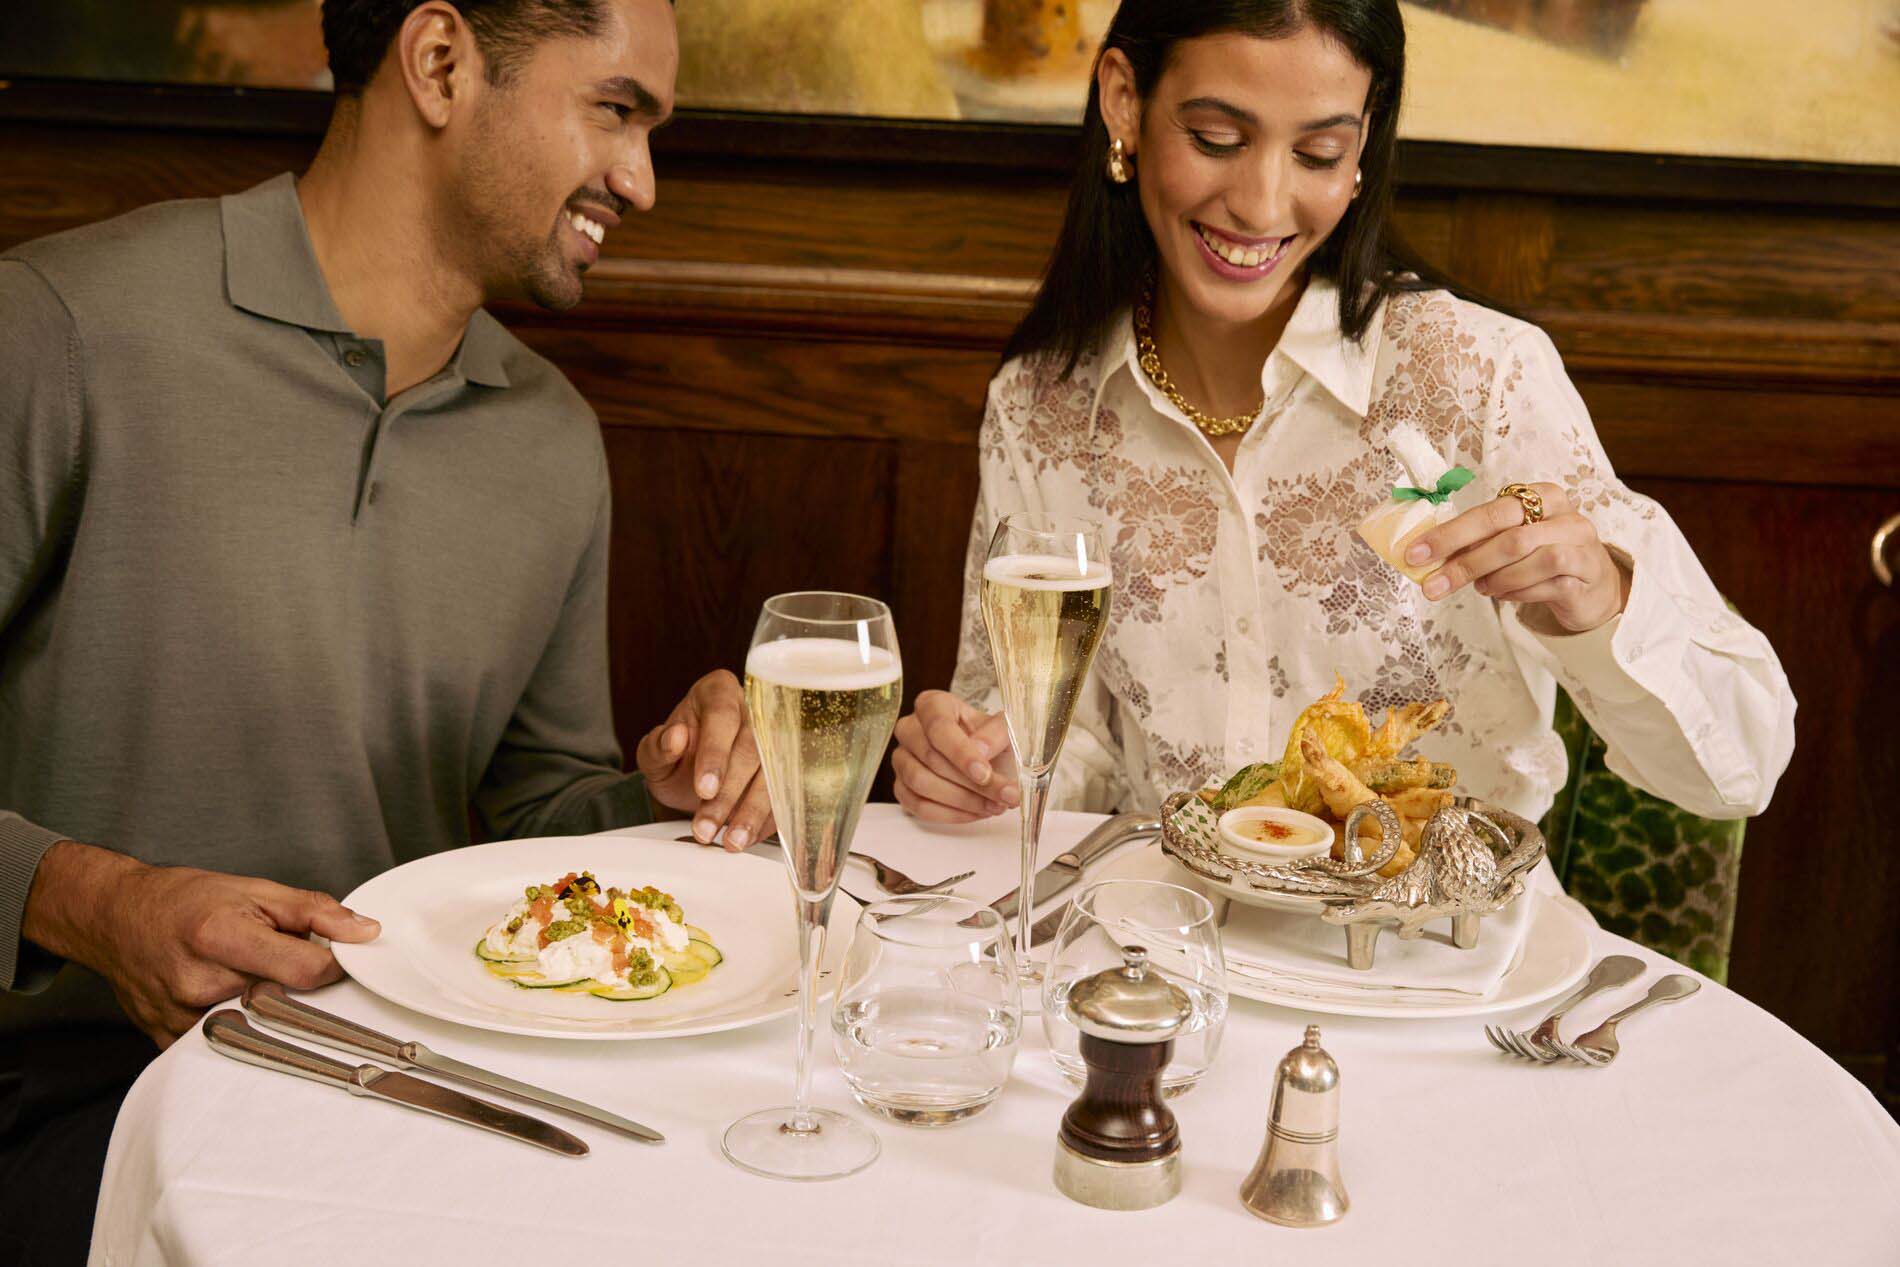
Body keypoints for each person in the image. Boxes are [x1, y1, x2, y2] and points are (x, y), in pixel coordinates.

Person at [0, 2, 760, 1261]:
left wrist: (674, 790)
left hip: (410, 1084)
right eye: (616, 110)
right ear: (441, 63)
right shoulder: (62, 330)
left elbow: (535, 816)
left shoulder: (550, 438)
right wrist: (96, 903)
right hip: (80, 1098)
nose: (641, 179)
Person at [893, 0, 1795, 837]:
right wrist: (979, 768)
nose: (1260, 202)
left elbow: (1740, 768)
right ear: (1125, 102)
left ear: (1363, 149)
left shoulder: (1478, 374)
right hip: (1168, 956)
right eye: (1216, 138)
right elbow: (1057, 755)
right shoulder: (1040, 406)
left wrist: (1601, 598)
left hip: (1437, 972)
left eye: (1317, 154)